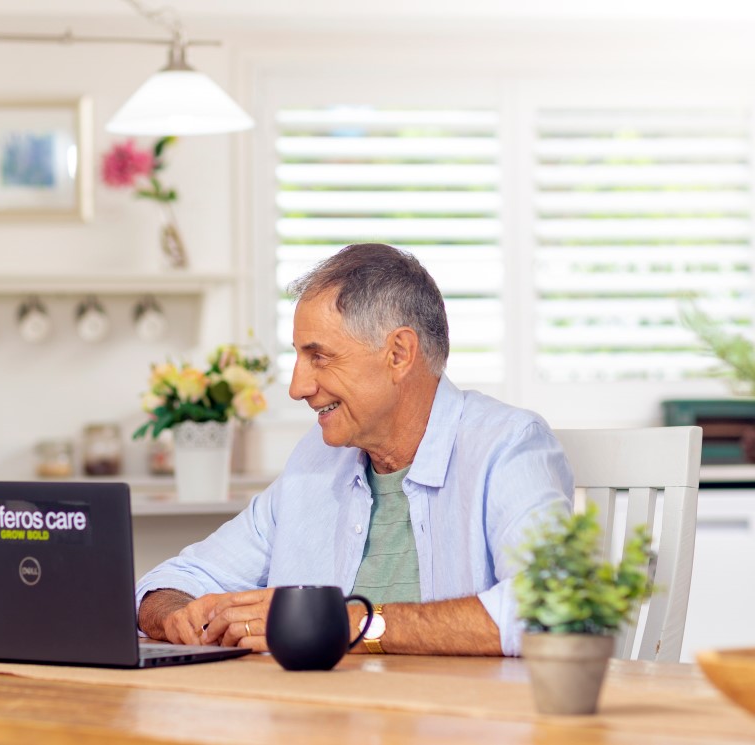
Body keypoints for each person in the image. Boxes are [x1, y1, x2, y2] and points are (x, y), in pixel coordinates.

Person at [136, 244, 573, 657]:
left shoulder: (508, 444)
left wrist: (347, 624)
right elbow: (173, 581)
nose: (297, 387)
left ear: (399, 353)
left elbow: (548, 610)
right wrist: (177, 615)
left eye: (320, 357)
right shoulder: (316, 460)